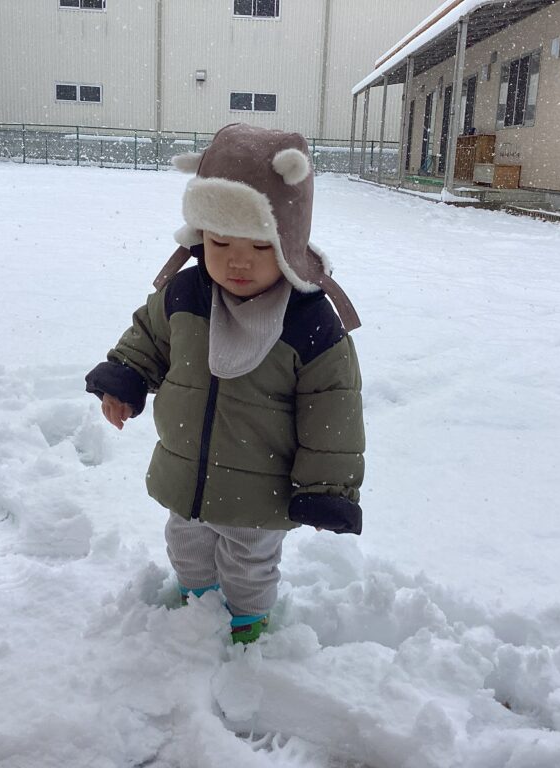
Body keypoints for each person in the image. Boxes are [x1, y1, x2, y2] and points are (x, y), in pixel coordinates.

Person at [85, 123, 365, 644]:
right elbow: (147, 338)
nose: (237, 260)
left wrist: (327, 489)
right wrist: (124, 379)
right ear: (199, 234)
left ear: (288, 240)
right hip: (187, 472)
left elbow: (334, 410)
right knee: (186, 547)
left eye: (260, 245)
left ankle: (247, 624)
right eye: (220, 240)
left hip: (261, 490)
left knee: (249, 565)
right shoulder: (186, 293)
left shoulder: (309, 320)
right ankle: (195, 603)